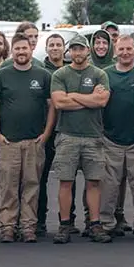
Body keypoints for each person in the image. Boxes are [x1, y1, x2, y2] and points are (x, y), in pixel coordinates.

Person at [0, 33, 55, 243]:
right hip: (9, 142)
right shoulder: (2, 75)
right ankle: (8, 226)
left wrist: (46, 134)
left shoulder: (43, 75)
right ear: (12, 51)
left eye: (24, 48)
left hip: (34, 141)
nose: (21, 52)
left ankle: (28, 227)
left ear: (31, 50)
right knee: (8, 186)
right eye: (17, 49)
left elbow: (51, 105)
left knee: (31, 185)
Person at [50, 34, 112, 244]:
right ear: (70, 52)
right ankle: (65, 224)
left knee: (94, 182)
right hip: (67, 135)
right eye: (74, 49)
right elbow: (59, 103)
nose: (78, 53)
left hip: (93, 136)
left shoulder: (99, 74)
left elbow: (102, 101)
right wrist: (88, 98)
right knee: (65, 182)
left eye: (81, 49)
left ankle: (94, 224)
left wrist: (73, 96)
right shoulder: (60, 74)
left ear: (88, 51)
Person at [37, 33, 83, 237]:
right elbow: (57, 102)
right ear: (46, 49)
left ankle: (69, 219)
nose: (55, 48)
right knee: (41, 177)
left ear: (64, 49)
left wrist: (71, 98)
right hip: (44, 130)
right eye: (51, 45)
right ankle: (39, 220)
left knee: (68, 177)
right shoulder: (39, 71)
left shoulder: (71, 69)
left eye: (58, 45)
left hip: (68, 130)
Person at [100, 35, 134, 236]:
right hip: (111, 138)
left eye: (129, 49)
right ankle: (106, 222)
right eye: (121, 49)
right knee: (110, 185)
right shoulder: (105, 75)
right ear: (115, 51)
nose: (125, 53)